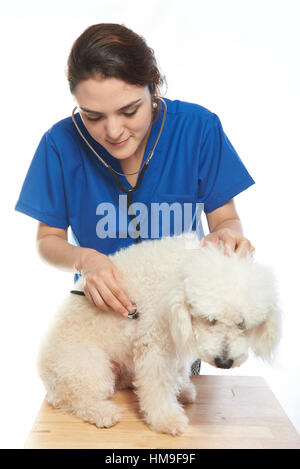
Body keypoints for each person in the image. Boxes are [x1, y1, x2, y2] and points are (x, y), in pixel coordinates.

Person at [15, 23, 255, 375]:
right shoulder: (59, 144)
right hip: (103, 333)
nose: (113, 131)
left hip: (175, 333)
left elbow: (224, 220)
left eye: (130, 111)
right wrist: (86, 259)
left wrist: (227, 237)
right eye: (93, 116)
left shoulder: (198, 129)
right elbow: (47, 240)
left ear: (153, 88)